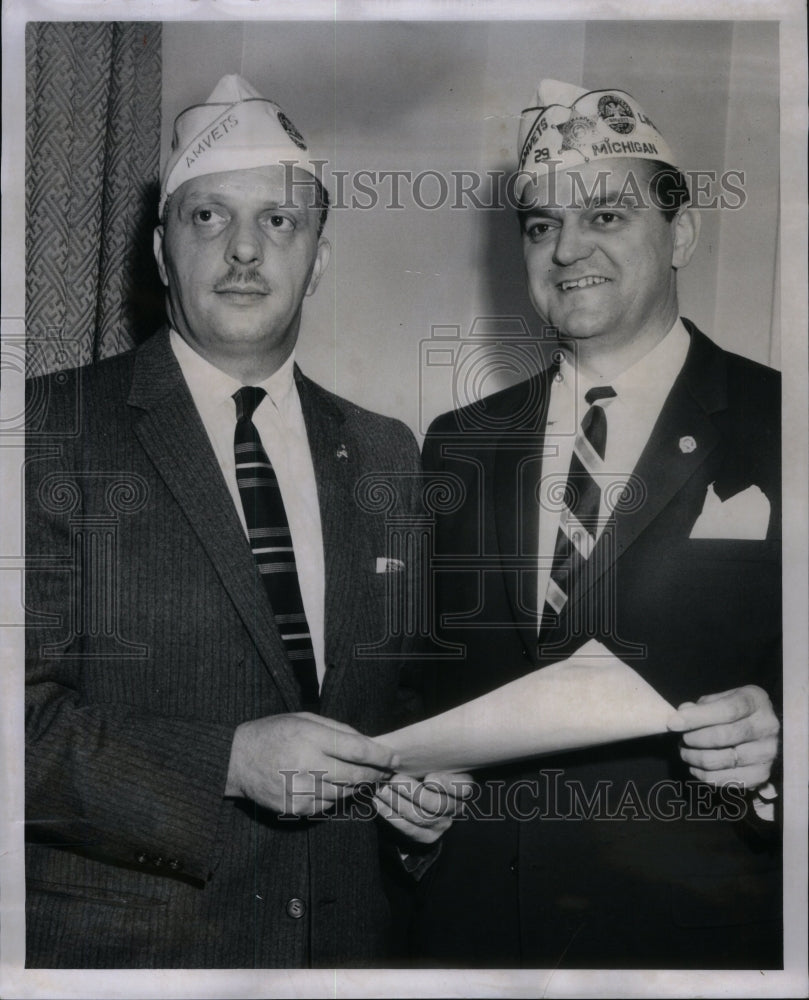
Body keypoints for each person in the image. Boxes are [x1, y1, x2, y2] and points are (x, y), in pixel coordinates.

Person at [24, 74, 469, 969]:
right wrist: (222, 764)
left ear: (320, 257)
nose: (242, 252)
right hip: (134, 959)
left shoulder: (386, 454)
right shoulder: (42, 434)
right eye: (207, 217)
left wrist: (424, 805)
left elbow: (410, 698)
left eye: (279, 221)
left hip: (344, 953)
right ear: (159, 250)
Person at [412, 79, 781, 968]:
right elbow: (425, 679)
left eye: (606, 217)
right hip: (474, 931)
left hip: (692, 933)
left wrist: (784, 747)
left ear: (681, 232)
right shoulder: (459, 441)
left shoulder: (785, 423)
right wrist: (412, 812)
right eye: (541, 225)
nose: (566, 248)